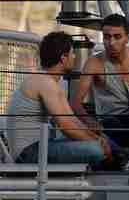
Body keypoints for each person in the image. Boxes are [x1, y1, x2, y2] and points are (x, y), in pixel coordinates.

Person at [7, 31, 117, 165]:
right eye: (72, 53)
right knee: (96, 150)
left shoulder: (51, 82)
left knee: (106, 142)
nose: (75, 56)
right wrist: (96, 143)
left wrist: (97, 138)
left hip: (41, 146)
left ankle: (127, 160)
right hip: (29, 153)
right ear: (63, 58)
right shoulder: (44, 82)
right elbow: (66, 127)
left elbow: (72, 120)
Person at [71, 13, 129, 148]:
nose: (111, 42)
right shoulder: (94, 63)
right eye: (107, 37)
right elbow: (75, 103)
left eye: (117, 37)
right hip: (111, 120)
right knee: (114, 128)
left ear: (127, 38)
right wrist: (89, 122)